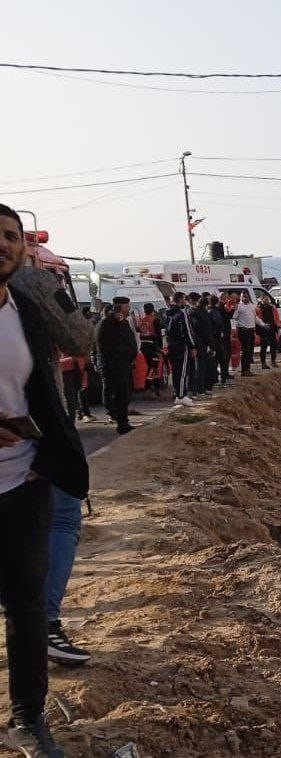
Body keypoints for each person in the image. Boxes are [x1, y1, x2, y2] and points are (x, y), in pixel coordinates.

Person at [1, 202, 88, 757]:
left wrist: (42, 285)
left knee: (27, 606)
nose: (2, 244)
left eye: (11, 236)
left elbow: (83, 341)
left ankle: (28, 720)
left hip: (23, 480)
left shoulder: (25, 308)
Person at [96, 296, 138, 435]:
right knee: (119, 394)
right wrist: (123, 356)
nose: (129, 309)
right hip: (115, 365)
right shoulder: (108, 323)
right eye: (127, 306)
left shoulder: (123, 321)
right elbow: (107, 346)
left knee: (125, 394)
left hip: (124, 364)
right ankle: (121, 423)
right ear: (119, 307)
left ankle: (123, 421)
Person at [164, 292, 196, 407]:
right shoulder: (182, 313)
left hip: (171, 345)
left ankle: (178, 393)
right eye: (184, 299)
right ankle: (181, 395)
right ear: (181, 300)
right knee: (183, 371)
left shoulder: (167, 313)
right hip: (182, 346)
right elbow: (187, 331)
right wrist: (192, 346)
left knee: (176, 371)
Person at [233, 292, 266, 376]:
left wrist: (263, 325)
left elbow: (255, 318)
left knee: (250, 351)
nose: (244, 298)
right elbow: (234, 317)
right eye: (243, 297)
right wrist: (235, 309)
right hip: (243, 331)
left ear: (249, 297)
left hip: (251, 331)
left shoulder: (252, 306)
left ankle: (247, 369)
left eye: (246, 297)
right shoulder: (238, 306)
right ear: (240, 298)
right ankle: (244, 370)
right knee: (245, 350)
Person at [187, 293, 214, 395]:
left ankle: (195, 389)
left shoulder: (191, 312)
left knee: (195, 367)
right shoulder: (202, 314)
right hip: (201, 344)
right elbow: (207, 331)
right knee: (201, 367)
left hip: (193, 343)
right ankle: (199, 389)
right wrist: (211, 346)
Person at [257, 293, 281, 369]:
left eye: (268, 299)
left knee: (274, 345)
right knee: (263, 346)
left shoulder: (272, 308)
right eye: (265, 299)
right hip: (263, 329)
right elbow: (257, 319)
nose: (267, 300)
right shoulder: (258, 308)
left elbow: (276, 318)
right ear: (261, 300)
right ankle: (263, 363)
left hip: (272, 328)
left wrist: (278, 327)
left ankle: (273, 361)